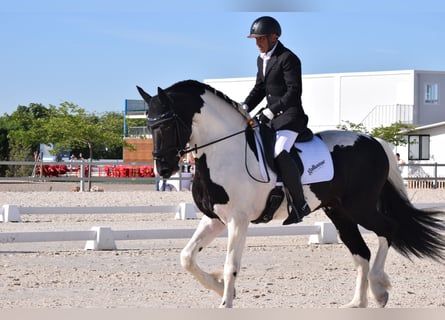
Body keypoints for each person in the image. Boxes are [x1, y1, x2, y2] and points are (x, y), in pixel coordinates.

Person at [242, 16, 311, 225]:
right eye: (255, 39)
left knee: (279, 151)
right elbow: (260, 88)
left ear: (274, 37)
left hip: (291, 117)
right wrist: (245, 106)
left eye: (260, 39)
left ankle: (300, 204)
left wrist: (272, 111)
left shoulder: (288, 58)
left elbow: (293, 92)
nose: (257, 43)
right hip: (271, 118)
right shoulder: (261, 59)